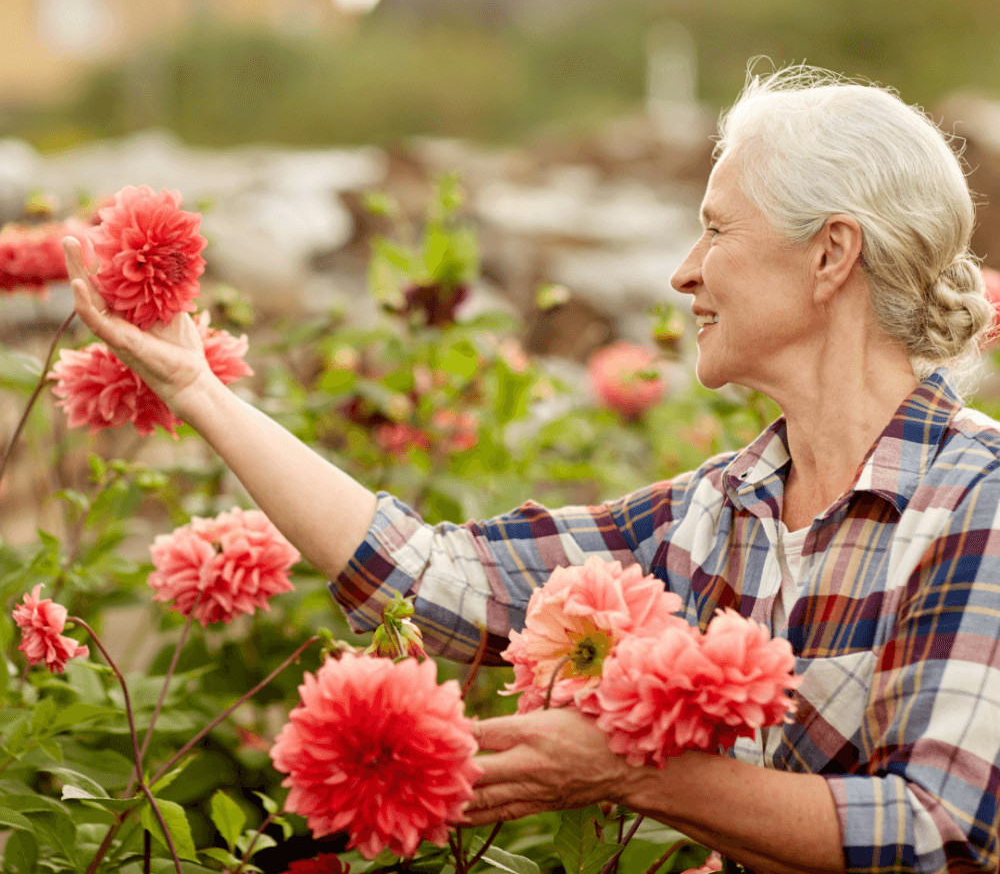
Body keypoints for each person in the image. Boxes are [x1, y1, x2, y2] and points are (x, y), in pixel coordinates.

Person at [64, 67, 1000, 874]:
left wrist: (630, 770)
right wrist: (200, 390)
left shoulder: (978, 496)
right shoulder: (717, 509)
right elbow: (433, 576)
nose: (684, 272)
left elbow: (940, 834)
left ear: (830, 254)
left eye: (717, 231)